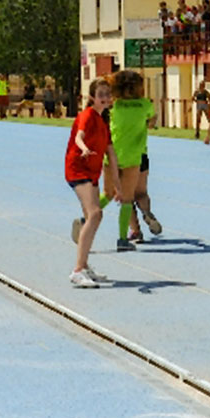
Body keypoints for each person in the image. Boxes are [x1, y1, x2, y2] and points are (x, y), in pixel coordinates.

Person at [65, 78, 121, 288]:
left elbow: (111, 154)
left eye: (108, 94)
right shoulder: (87, 115)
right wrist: (83, 147)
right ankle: (77, 270)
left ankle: (84, 265)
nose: (106, 98)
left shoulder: (103, 121)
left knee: (92, 216)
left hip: (93, 171)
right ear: (92, 98)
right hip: (77, 169)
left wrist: (117, 183)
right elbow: (79, 136)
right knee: (96, 213)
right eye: (101, 95)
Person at [109, 70, 160, 250]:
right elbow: (152, 121)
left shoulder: (114, 106)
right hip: (140, 154)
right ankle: (146, 212)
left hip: (118, 155)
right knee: (141, 192)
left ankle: (135, 230)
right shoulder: (145, 104)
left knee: (126, 197)